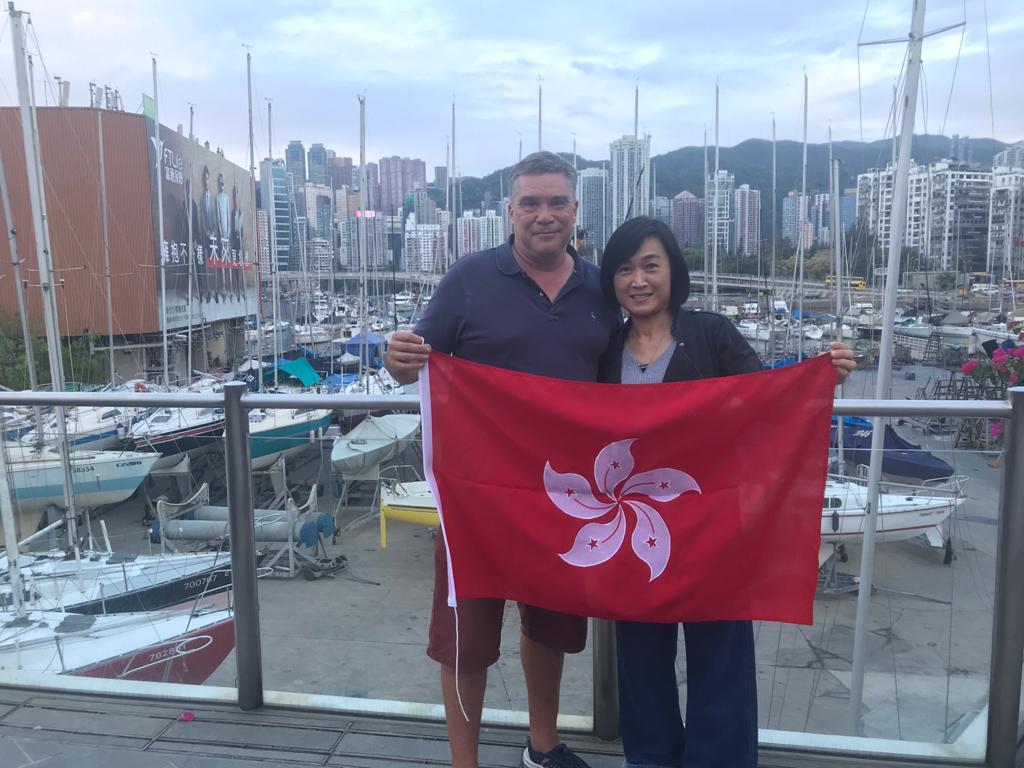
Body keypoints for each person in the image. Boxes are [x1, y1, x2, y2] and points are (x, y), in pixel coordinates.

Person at [386, 151, 620, 768]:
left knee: (551, 630)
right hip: (478, 496)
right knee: (466, 640)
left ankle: (542, 746)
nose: (545, 216)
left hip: (569, 497)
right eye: (531, 204)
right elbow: (416, 357)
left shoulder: (602, 287)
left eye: (557, 203)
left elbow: (640, 372)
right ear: (510, 211)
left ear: (574, 209)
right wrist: (397, 356)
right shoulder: (468, 279)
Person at [597, 216, 855, 768]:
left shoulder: (712, 333)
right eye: (624, 268)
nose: (638, 280)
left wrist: (820, 377)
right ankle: (652, 758)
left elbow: (767, 402)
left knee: (721, 656)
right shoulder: (604, 350)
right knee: (640, 657)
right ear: (611, 280)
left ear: (672, 271)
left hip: (713, 527)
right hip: (638, 530)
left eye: (650, 265)